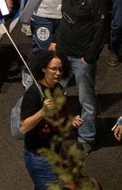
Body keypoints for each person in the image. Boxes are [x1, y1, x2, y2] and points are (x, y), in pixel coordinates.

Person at [53, 0, 108, 152]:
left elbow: (100, 28)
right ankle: (57, 130)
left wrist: (89, 57)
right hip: (62, 54)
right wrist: (56, 41)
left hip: (82, 58)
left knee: (86, 100)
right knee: (54, 94)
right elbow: (65, 19)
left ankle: (87, 137)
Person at [18, 51, 81, 189]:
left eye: (60, 69)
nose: (58, 73)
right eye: (53, 69)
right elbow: (24, 126)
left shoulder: (58, 88)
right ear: (43, 69)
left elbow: (59, 117)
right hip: (39, 157)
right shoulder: (33, 94)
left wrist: (71, 121)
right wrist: (42, 112)